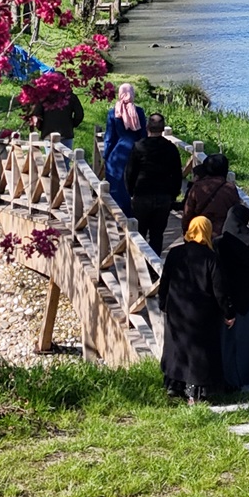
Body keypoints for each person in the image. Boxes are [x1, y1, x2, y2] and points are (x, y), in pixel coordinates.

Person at [156, 216, 230, 403]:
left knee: (177, 348)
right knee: (198, 355)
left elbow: (164, 282)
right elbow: (219, 290)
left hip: (177, 311)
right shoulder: (211, 258)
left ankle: (174, 386)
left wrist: (163, 303)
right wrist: (229, 313)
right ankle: (193, 393)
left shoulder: (174, 253)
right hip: (202, 315)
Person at [218, 204, 249, 390]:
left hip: (228, 299)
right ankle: (246, 377)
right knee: (248, 340)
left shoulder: (221, 242)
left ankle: (227, 379)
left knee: (227, 341)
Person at [125, 112, 184, 254]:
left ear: (147, 127)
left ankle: (139, 266)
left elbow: (130, 172)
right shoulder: (171, 149)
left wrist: (131, 192)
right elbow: (177, 174)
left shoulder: (138, 147)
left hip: (142, 195)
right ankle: (153, 269)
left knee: (139, 234)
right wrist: (173, 195)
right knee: (157, 236)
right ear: (163, 129)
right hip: (163, 197)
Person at [102, 83, 147, 218]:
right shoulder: (139, 112)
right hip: (136, 151)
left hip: (118, 152)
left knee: (116, 183)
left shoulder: (114, 112)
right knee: (136, 182)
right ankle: (135, 214)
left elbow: (109, 137)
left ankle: (119, 214)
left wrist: (106, 155)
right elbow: (143, 134)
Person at [182, 152, 239, 233]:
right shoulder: (230, 189)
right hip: (221, 234)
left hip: (199, 232)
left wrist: (186, 230)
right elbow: (236, 213)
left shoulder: (198, 187)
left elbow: (188, 212)